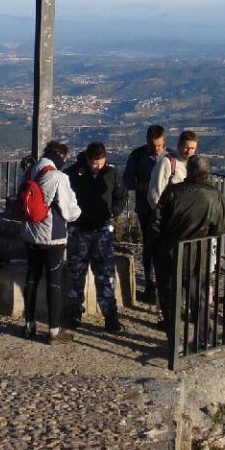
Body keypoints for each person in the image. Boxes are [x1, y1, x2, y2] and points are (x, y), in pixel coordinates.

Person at [150, 155, 225, 338]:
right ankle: (203, 336)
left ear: (189, 171)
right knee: (198, 300)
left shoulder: (172, 192)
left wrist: (154, 250)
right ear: (206, 173)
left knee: (169, 299)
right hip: (198, 256)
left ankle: (173, 339)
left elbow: (155, 224)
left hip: (169, 254)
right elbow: (219, 229)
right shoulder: (215, 196)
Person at [20, 141, 81, 345]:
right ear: (61, 156)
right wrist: (78, 213)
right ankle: (54, 330)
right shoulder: (58, 177)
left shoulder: (29, 173)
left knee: (31, 278)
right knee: (54, 281)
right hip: (52, 236)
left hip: (29, 233)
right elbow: (68, 210)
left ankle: (29, 325)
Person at [65, 142, 127, 333]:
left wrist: (112, 212)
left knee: (105, 275)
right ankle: (75, 312)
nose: (98, 166)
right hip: (79, 230)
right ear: (87, 158)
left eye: (101, 162)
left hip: (101, 230)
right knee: (76, 273)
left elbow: (121, 195)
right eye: (94, 163)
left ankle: (110, 317)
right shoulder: (72, 174)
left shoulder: (110, 174)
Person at [122, 124, 166, 303]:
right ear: (147, 141)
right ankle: (149, 284)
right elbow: (127, 180)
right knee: (149, 247)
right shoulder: (137, 155)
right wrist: (144, 187)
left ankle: (163, 284)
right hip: (145, 208)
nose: (157, 149)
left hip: (165, 211)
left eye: (159, 146)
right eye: (153, 146)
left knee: (163, 248)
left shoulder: (169, 156)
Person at [147, 130, 199, 212]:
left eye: (192, 148)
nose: (189, 151)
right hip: (170, 215)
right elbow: (155, 194)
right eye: (186, 147)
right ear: (179, 146)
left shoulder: (196, 164)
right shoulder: (168, 162)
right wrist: (162, 216)